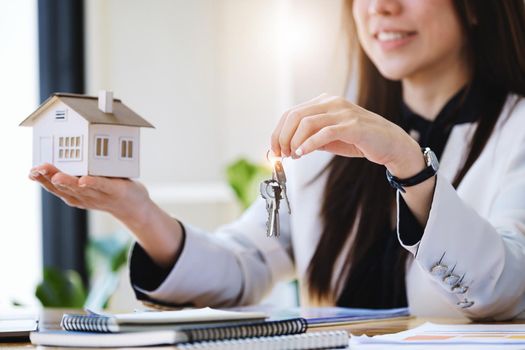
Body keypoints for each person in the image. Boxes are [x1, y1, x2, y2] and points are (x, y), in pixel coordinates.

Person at [30, 0, 525, 320]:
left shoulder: (515, 131)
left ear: (476, 7)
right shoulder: (335, 136)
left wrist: (410, 166)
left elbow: (504, 288)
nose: (381, 8)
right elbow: (245, 266)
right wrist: (136, 211)